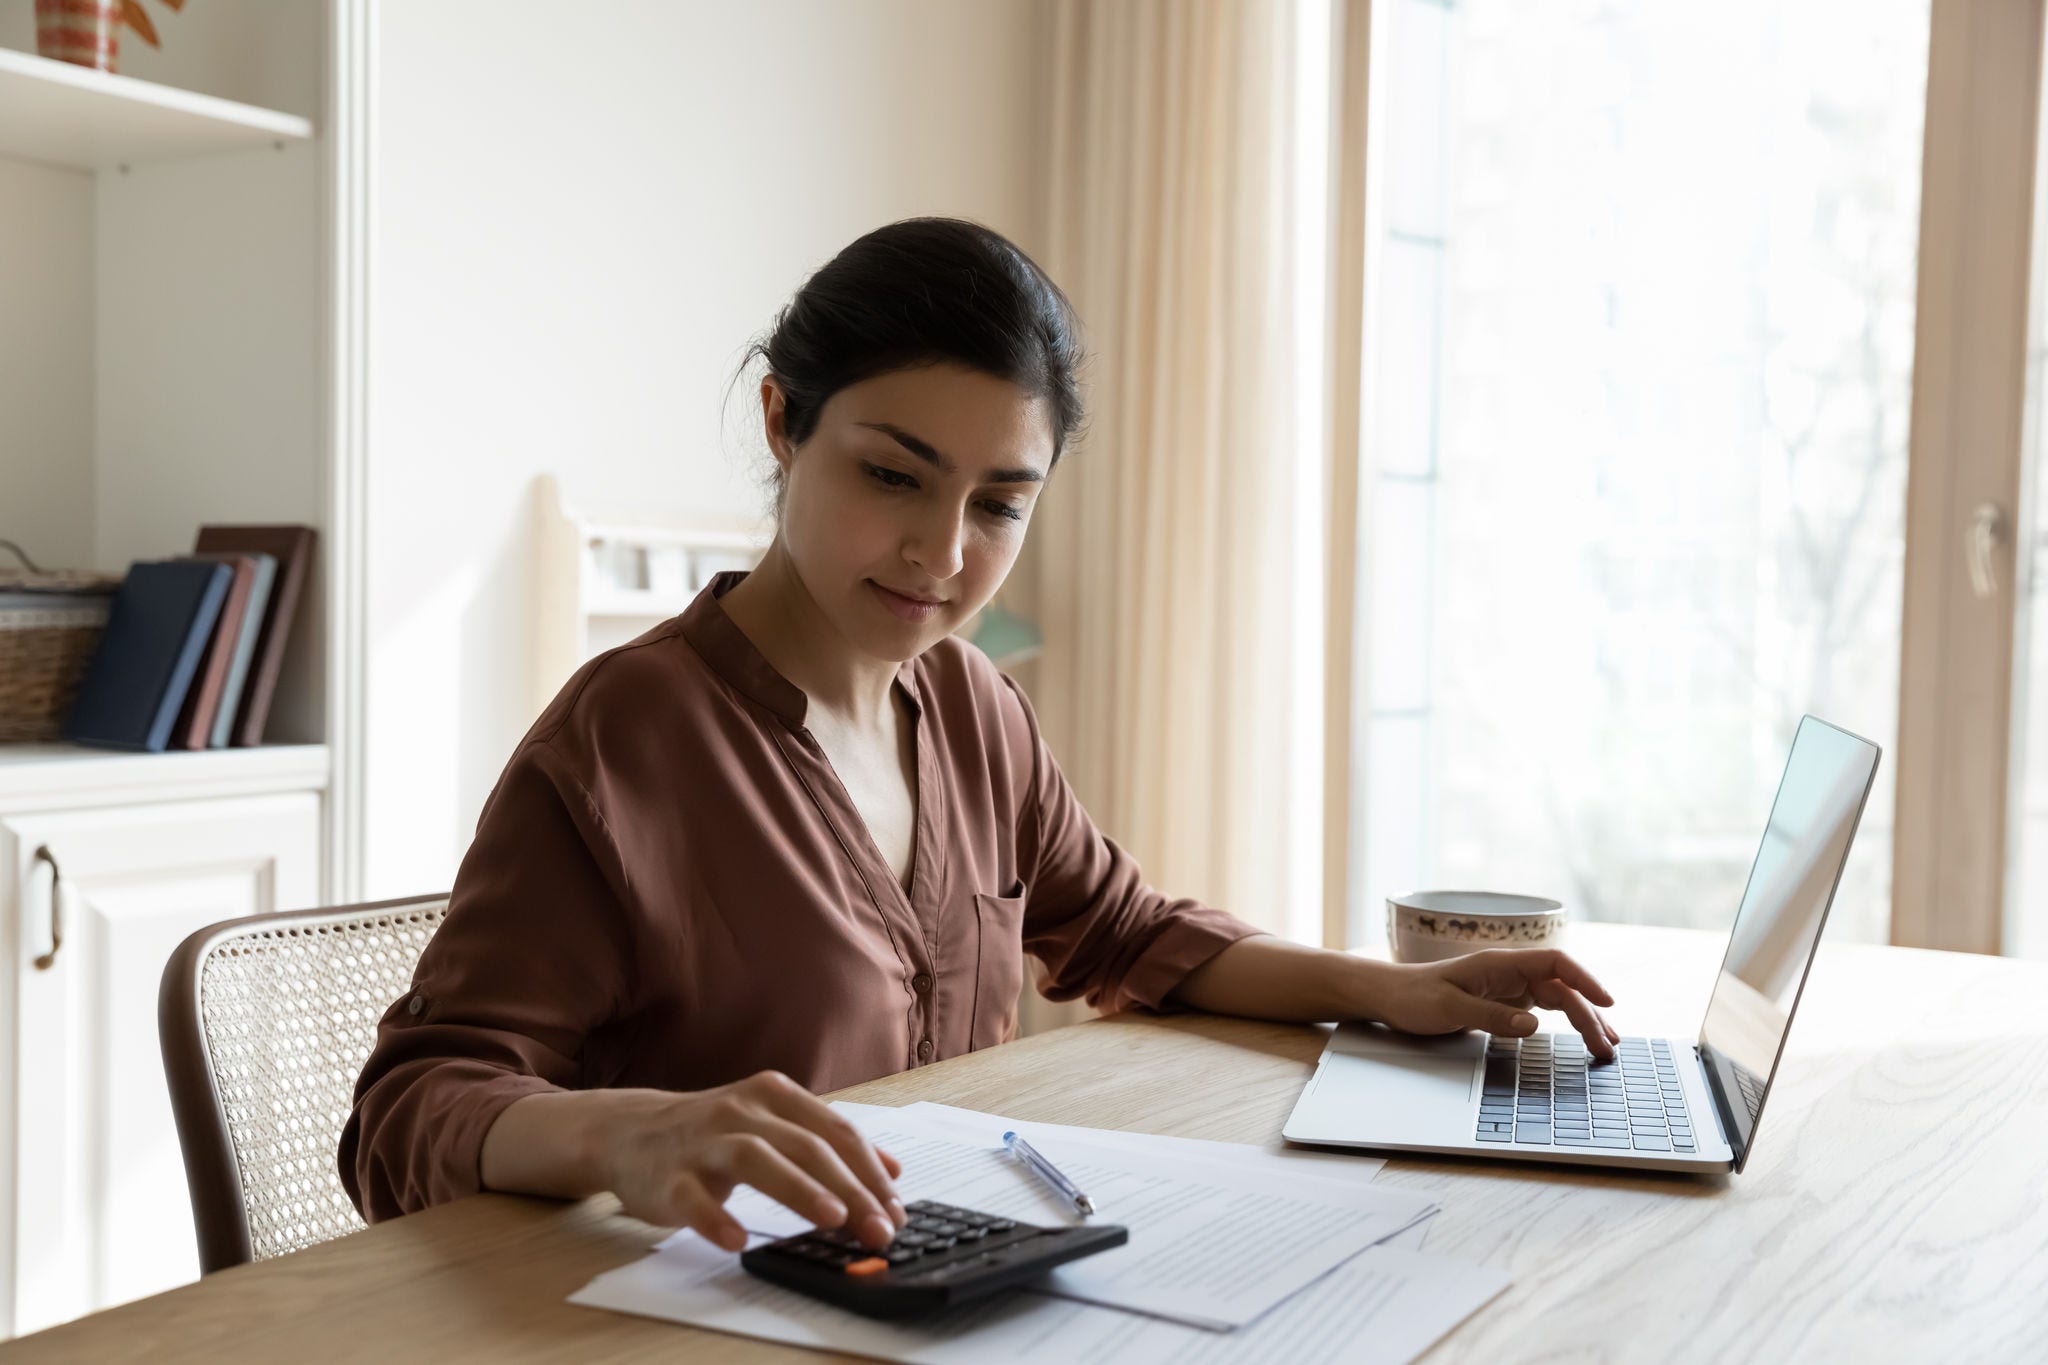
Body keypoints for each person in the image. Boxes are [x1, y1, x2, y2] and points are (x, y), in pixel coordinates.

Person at [339, 216, 1620, 1255]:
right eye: (892, 475)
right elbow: (410, 1111)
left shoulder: (969, 708)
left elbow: (1122, 931)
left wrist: (1391, 993)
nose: (940, 555)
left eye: (998, 505)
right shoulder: (626, 741)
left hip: (945, 1290)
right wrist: (630, 1137)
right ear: (784, 424)